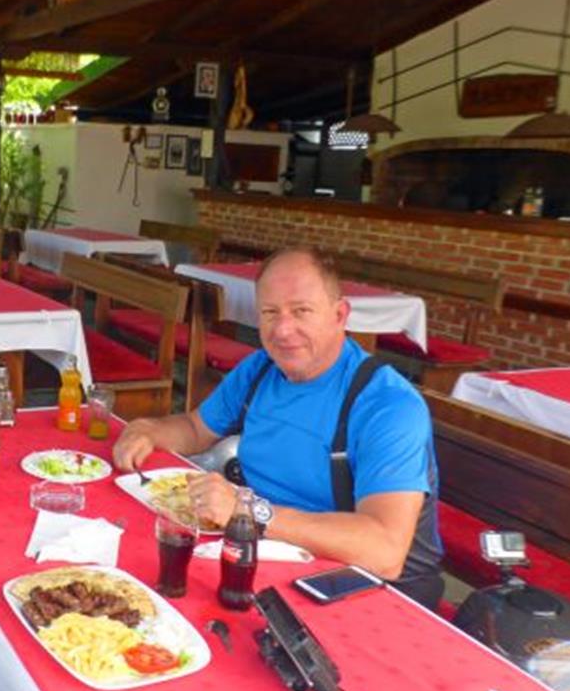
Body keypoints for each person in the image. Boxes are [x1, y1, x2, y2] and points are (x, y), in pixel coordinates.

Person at [113, 246, 444, 607]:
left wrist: (251, 511)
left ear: (339, 315)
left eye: (301, 311)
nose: (283, 330)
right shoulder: (260, 369)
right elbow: (195, 429)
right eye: (270, 313)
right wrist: (148, 429)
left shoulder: (387, 405)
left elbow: (385, 551)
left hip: (366, 590)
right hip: (261, 556)